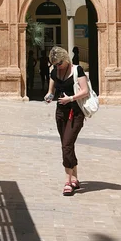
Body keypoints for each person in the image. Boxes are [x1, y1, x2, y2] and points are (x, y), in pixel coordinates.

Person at [44, 46, 89, 196]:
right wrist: (49, 97)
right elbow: (51, 92)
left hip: (75, 113)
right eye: (54, 64)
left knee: (67, 145)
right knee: (67, 145)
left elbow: (85, 91)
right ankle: (75, 177)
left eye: (59, 63)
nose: (57, 66)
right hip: (60, 113)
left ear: (65, 59)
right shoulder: (54, 72)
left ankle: (67, 181)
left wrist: (70, 98)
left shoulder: (77, 70)